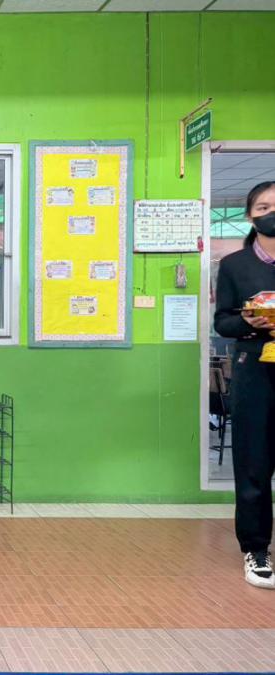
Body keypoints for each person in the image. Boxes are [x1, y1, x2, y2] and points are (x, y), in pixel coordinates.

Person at [214, 180, 275, 590]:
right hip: (254, 366)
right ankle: (256, 549)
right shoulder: (236, 265)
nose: (271, 213)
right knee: (253, 460)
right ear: (251, 216)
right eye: (263, 207)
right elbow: (223, 321)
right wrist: (247, 321)